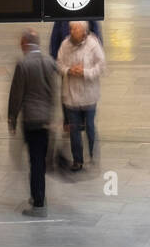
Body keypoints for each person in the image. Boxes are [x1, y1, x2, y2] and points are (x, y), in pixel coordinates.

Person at [7, 28, 61, 217]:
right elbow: (56, 89)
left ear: (24, 44)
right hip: (46, 119)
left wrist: (12, 118)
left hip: (31, 119)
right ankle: (39, 195)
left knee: (35, 162)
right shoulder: (49, 62)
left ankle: (38, 203)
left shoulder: (23, 64)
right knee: (41, 161)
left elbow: (16, 94)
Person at [56, 21, 105, 172]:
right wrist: (69, 70)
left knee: (90, 126)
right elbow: (58, 64)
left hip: (89, 95)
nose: (71, 32)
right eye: (71, 29)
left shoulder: (93, 44)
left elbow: (101, 66)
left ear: (84, 32)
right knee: (74, 130)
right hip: (71, 96)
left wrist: (85, 72)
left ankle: (92, 153)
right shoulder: (65, 45)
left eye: (75, 29)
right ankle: (77, 160)